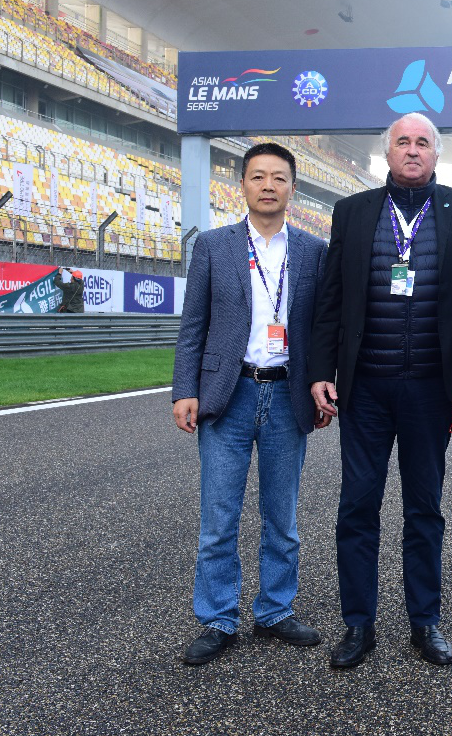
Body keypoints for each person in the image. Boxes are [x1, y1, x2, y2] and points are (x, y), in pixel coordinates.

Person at [309, 112, 452, 670]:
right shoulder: (353, 211)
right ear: (387, 152)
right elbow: (331, 299)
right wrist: (321, 370)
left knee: (424, 509)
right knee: (357, 506)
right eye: (403, 142)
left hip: (430, 389)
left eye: (423, 143)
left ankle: (425, 622)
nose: (413, 150)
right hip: (364, 389)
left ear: (436, 154)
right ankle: (358, 624)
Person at [170, 142, 329, 666]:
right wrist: (185, 389)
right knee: (219, 519)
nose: (268, 186)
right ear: (241, 184)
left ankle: (275, 610)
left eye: (278, 178)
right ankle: (218, 618)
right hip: (228, 393)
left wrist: (323, 383)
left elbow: (323, 328)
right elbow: (193, 325)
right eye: (258, 176)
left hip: (287, 394)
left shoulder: (314, 251)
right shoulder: (213, 246)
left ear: (293, 188)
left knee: (282, 518)